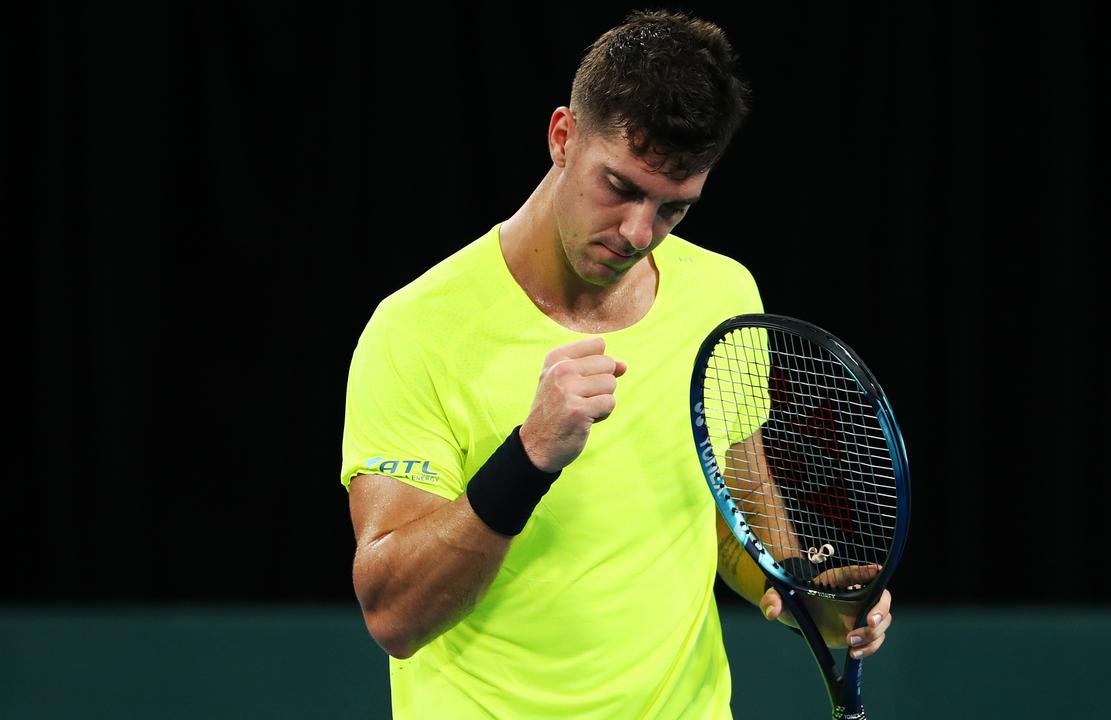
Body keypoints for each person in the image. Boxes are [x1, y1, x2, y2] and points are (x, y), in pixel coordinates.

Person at [340, 10, 894, 718]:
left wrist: (805, 599)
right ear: (563, 136)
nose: (640, 233)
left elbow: (736, 515)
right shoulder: (415, 330)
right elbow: (394, 615)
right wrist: (529, 457)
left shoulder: (725, 295)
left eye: (674, 210)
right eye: (622, 188)